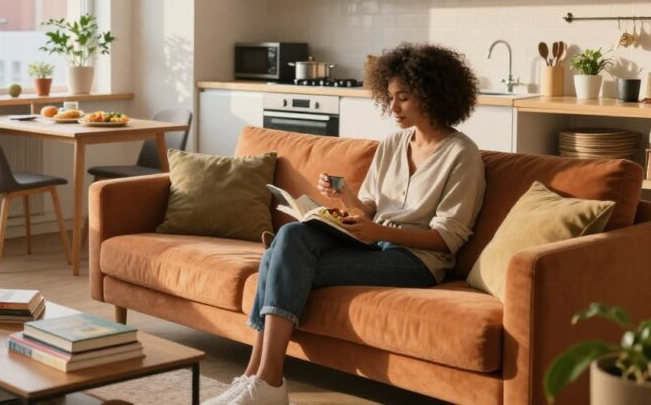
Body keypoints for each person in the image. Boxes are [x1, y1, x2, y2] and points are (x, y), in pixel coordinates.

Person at [206, 43, 487, 405]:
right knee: (291, 235)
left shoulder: (462, 154)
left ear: (433, 95)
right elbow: (368, 209)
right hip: (373, 246)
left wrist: (377, 232)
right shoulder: (393, 144)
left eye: (403, 98)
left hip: (416, 262)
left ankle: (265, 380)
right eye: (390, 97)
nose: (393, 107)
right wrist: (345, 198)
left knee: (279, 259)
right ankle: (256, 378)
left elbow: (448, 239)